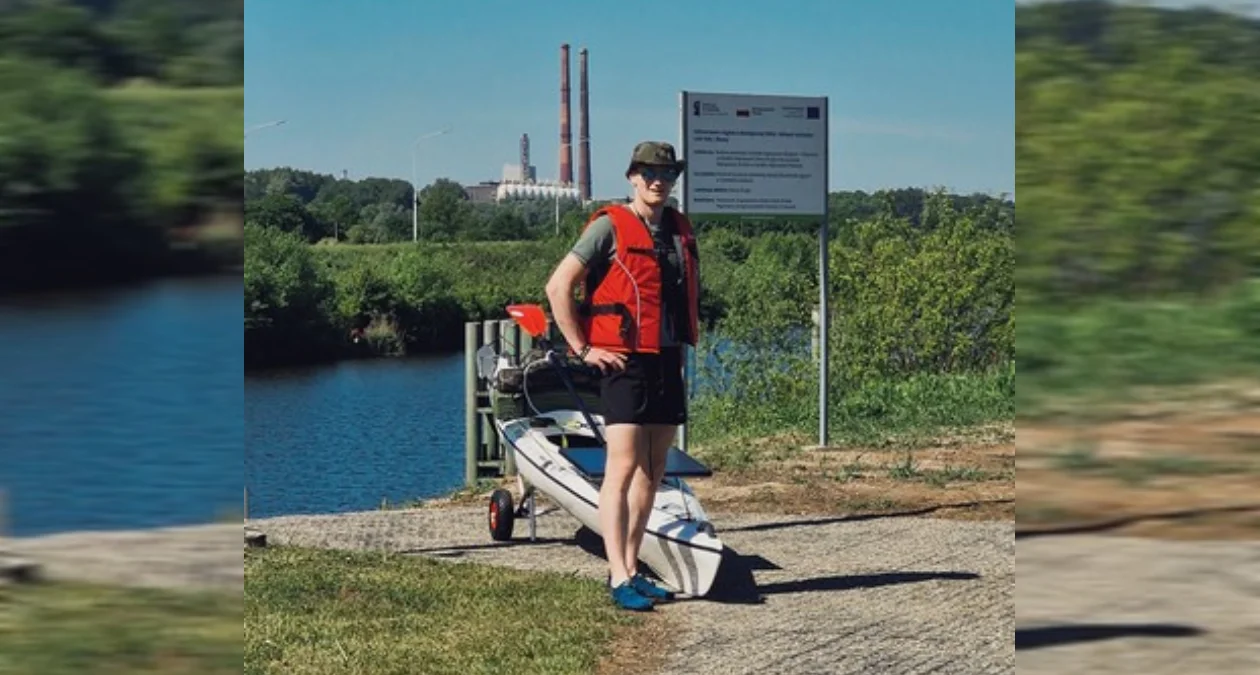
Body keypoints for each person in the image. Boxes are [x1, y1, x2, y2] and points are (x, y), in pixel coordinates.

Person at [544, 141, 701, 611]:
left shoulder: (677, 229)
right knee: (623, 468)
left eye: (667, 174)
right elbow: (558, 286)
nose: (658, 181)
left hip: (665, 359)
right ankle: (617, 575)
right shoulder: (610, 226)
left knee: (653, 472)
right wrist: (583, 348)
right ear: (633, 176)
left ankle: (633, 567)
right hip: (623, 360)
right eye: (650, 173)